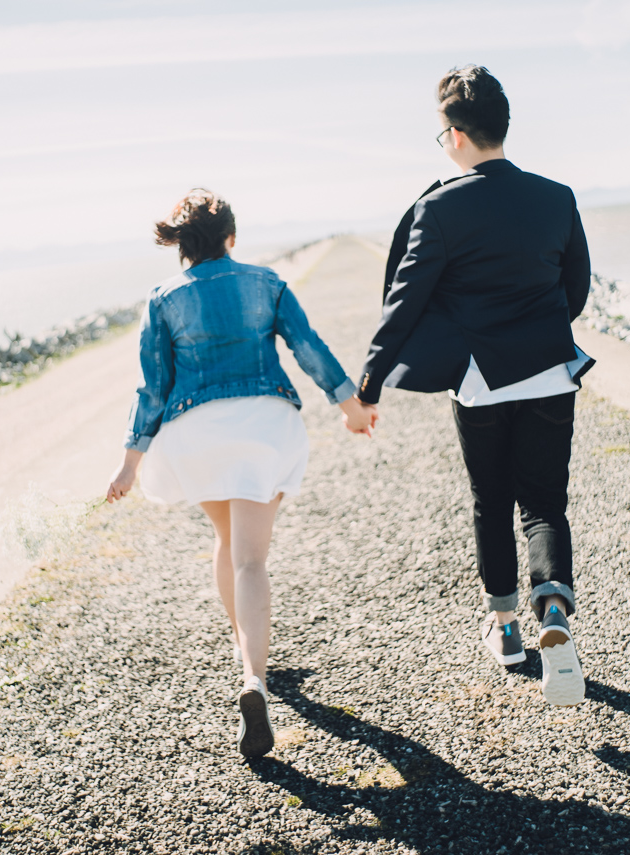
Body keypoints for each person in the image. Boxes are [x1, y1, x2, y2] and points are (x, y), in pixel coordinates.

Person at [106, 189, 378, 757]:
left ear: (182, 247)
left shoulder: (162, 298)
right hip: (263, 424)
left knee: (227, 541)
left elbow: (152, 387)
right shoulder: (266, 282)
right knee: (252, 556)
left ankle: (249, 665)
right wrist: (350, 404)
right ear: (232, 237)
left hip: (194, 434)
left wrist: (130, 462)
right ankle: (254, 671)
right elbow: (307, 346)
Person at [356, 66, 594, 706]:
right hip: (549, 370)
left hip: (479, 381)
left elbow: (403, 305)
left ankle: (507, 632)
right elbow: (576, 292)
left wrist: (370, 385)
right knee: (544, 504)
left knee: (492, 501)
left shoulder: (439, 207)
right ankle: (555, 615)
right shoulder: (557, 197)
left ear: (454, 135)